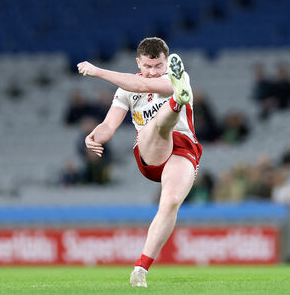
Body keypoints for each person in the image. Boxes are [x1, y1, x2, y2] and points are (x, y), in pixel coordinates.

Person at [77, 37, 201, 288]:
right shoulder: (126, 90)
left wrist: (97, 71)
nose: (154, 73)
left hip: (183, 149)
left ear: (167, 63)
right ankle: (177, 102)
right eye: (148, 66)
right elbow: (109, 126)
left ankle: (140, 270)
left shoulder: (178, 76)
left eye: (159, 66)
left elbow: (143, 86)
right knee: (155, 126)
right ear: (138, 62)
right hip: (149, 150)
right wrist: (93, 136)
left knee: (170, 203)